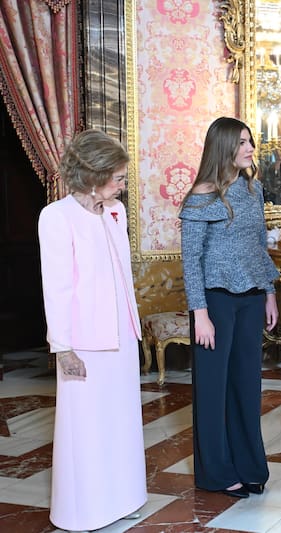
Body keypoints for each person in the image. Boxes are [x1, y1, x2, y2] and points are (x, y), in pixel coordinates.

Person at [39, 129, 147, 530]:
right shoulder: (56, 217)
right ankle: (83, 510)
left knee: (121, 422)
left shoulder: (115, 212)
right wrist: (62, 347)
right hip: (84, 342)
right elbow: (57, 287)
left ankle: (124, 498)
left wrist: (132, 327)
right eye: (117, 178)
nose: (122, 185)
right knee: (84, 429)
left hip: (122, 336)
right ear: (92, 176)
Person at [180, 117, 280, 499]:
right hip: (215, 302)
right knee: (213, 390)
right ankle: (216, 473)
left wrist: (269, 291)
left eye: (250, 141)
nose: (250, 148)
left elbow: (259, 246)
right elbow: (191, 260)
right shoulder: (202, 196)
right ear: (223, 147)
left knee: (246, 386)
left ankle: (250, 466)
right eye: (242, 142)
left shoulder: (253, 190)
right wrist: (199, 314)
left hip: (252, 298)